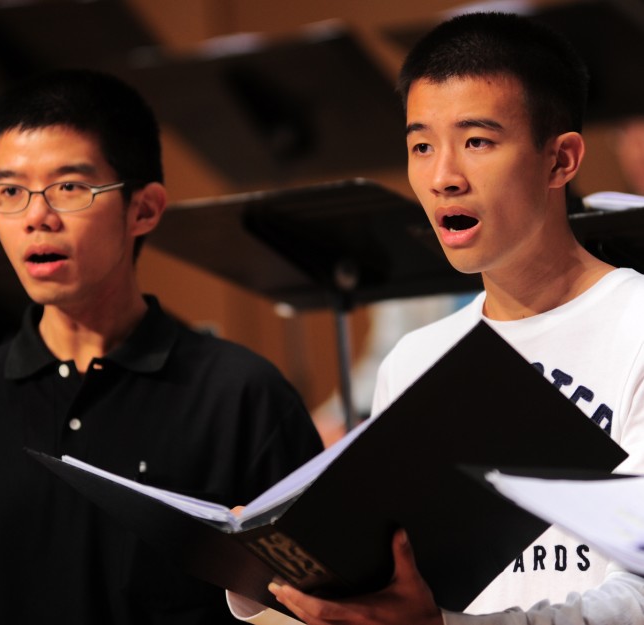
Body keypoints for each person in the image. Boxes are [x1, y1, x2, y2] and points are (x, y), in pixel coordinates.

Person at [229, 11, 644, 625]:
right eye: (422, 146)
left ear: (560, 160)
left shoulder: (634, 325)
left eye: (477, 142)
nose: (443, 177)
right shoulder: (415, 360)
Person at [0, 69, 324, 625]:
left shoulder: (242, 396)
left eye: (69, 188)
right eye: (10, 192)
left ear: (144, 209)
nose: (36, 218)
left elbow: (313, 606)